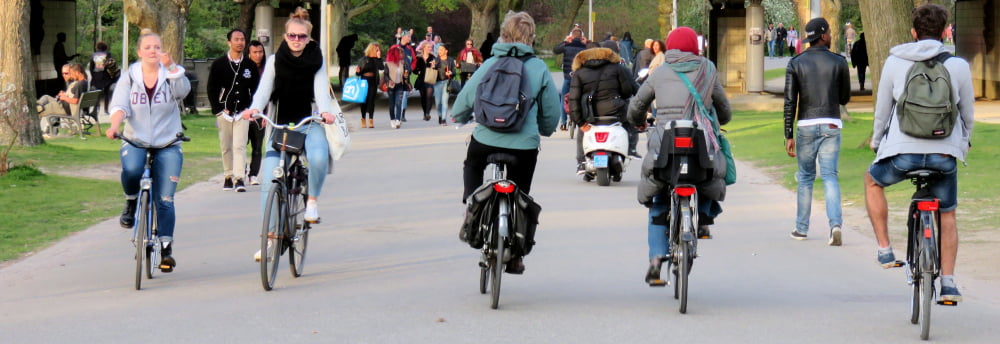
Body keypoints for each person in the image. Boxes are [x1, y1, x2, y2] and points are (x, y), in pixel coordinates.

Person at [864, 3, 974, 303]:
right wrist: (961, 145)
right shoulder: (959, 66)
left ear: (913, 32)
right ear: (945, 32)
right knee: (947, 213)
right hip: (944, 156)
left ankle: (885, 250)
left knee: (872, 182)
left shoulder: (894, 62)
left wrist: (877, 142)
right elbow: (967, 116)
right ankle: (949, 284)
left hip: (902, 155)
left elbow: (883, 112)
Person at [451, 11, 561, 275]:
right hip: (524, 146)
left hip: (486, 139)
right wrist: (544, 130)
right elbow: (551, 112)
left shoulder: (490, 64)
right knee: (520, 195)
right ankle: (516, 255)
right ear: (531, 37)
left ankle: (472, 207)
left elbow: (467, 98)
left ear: (504, 34)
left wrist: (461, 115)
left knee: (473, 163)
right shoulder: (539, 68)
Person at [627, 27, 731, 284]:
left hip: (665, 148)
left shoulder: (659, 72)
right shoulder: (708, 70)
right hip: (699, 146)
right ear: (695, 48)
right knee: (707, 179)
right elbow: (725, 110)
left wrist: (638, 122)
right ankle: (704, 217)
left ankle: (655, 258)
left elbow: (637, 106)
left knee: (659, 200)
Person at [240, 7, 340, 224]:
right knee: (269, 181)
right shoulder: (275, 60)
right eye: (292, 35)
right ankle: (270, 237)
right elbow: (264, 90)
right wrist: (255, 109)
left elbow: (321, 90)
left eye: (301, 36)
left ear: (308, 38)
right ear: (285, 36)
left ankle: (312, 202)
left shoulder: (316, 60)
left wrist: (324, 112)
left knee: (319, 158)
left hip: (309, 123)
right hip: (279, 126)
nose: (296, 39)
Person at [105, 29, 191, 272]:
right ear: (139, 52)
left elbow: (183, 91)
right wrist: (114, 126)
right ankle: (131, 202)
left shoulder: (170, 73)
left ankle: (166, 248)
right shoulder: (130, 77)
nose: (153, 51)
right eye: (148, 47)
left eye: (157, 47)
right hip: (136, 139)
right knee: (131, 170)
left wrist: (172, 67)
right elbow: (120, 105)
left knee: (165, 198)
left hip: (168, 143)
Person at [783, 18, 851, 244]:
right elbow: (844, 97)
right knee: (830, 176)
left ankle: (801, 228)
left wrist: (788, 134)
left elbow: (790, 101)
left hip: (806, 124)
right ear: (823, 35)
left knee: (805, 178)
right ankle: (835, 225)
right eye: (829, 32)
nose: (831, 36)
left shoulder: (796, 62)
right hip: (831, 122)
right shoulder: (839, 62)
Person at [569, 47, 639, 174]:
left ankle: (581, 162)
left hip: (590, 114)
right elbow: (627, 91)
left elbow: (574, 99)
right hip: (616, 111)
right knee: (631, 123)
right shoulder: (617, 68)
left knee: (582, 133)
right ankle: (631, 151)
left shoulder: (579, 73)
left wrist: (580, 122)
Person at [207, 28, 260, 192]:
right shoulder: (219, 64)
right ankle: (228, 176)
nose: (240, 43)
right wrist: (219, 109)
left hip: (242, 112)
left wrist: (251, 109)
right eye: (236, 39)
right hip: (225, 113)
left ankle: (239, 178)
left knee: (240, 146)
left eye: (242, 39)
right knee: (226, 146)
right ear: (229, 42)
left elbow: (256, 89)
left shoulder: (250, 65)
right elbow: (212, 88)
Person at [37, 62, 88, 135]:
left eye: (71, 73)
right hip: (63, 105)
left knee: (38, 112)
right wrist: (65, 95)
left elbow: (76, 101)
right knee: (46, 97)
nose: (72, 76)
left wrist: (64, 97)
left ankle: (36, 129)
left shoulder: (79, 84)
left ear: (77, 72)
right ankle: (39, 106)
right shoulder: (84, 82)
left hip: (63, 107)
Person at [553, 27, 589, 131]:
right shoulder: (584, 46)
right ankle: (582, 120)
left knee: (564, 98)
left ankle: (563, 123)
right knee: (582, 97)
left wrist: (564, 41)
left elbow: (555, 50)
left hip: (568, 77)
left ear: (571, 36)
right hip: (580, 78)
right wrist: (587, 42)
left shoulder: (566, 45)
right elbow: (594, 48)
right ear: (581, 36)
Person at [247, 40, 267, 185]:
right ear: (249, 53)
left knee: (257, 146)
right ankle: (240, 172)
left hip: (261, 114)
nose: (258, 55)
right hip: (245, 113)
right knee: (240, 145)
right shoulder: (244, 69)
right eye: (255, 52)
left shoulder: (267, 70)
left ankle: (253, 174)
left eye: (260, 52)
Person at [87, 42, 119, 114]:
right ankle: (106, 110)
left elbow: (91, 67)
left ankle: (95, 109)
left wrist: (93, 76)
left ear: (97, 47)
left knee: (96, 93)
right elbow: (111, 65)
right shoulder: (108, 54)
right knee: (106, 93)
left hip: (96, 76)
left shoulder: (94, 55)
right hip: (106, 76)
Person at [391, 34, 417, 122]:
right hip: (396, 74)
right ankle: (396, 112)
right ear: (402, 37)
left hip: (406, 74)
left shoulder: (410, 49)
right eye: (408, 37)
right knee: (396, 93)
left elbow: (414, 60)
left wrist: (411, 69)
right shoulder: (395, 47)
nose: (410, 39)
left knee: (405, 94)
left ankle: (402, 114)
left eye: (410, 37)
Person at [355, 42, 382, 128]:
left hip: (373, 82)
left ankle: (371, 120)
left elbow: (381, 67)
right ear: (372, 49)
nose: (378, 50)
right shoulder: (363, 59)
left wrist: (379, 57)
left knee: (371, 101)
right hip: (364, 82)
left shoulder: (376, 60)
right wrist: (357, 72)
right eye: (376, 49)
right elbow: (358, 73)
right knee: (363, 101)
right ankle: (363, 119)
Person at [383, 45, 410, 129]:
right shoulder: (388, 64)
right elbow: (385, 74)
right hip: (391, 85)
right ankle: (392, 119)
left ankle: (398, 120)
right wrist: (388, 80)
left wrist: (406, 78)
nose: (402, 55)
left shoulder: (403, 63)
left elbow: (405, 73)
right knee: (391, 104)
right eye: (400, 53)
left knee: (399, 103)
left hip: (400, 85)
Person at [414, 42, 437, 122]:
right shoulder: (418, 58)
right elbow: (414, 69)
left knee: (429, 96)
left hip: (430, 79)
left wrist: (434, 66)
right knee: (423, 97)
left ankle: (427, 113)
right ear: (423, 48)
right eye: (428, 47)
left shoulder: (433, 57)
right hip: (421, 79)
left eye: (430, 47)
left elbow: (437, 67)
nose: (429, 49)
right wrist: (418, 71)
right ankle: (424, 112)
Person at [433, 44, 456, 126]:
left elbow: (454, 72)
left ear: (446, 51)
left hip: (447, 82)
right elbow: (432, 70)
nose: (439, 51)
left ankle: (443, 119)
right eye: (439, 50)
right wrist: (432, 66)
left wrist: (450, 73)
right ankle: (440, 115)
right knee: (438, 102)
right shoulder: (435, 60)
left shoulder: (450, 60)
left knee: (444, 102)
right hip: (437, 83)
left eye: (441, 50)